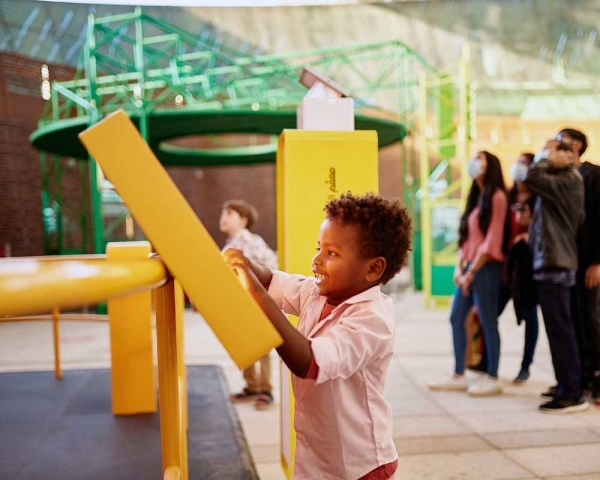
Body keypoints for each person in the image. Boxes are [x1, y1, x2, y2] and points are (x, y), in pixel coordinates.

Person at [223, 192, 412, 480]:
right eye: (319, 249)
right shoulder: (315, 293)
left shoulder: (373, 320)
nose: (316, 261)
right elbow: (271, 279)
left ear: (373, 268)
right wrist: (239, 263)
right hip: (317, 461)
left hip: (360, 467)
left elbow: (308, 361)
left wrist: (256, 294)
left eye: (331, 253)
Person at [430, 151, 511, 396]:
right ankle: (458, 373)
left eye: (480, 159)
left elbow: (491, 241)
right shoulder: (476, 197)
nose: (474, 162)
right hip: (469, 268)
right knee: (456, 317)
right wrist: (459, 268)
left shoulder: (498, 196)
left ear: (491, 166)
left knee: (488, 320)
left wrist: (471, 271)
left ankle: (493, 376)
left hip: (486, 267)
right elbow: (466, 239)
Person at [524, 139, 588, 413]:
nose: (545, 155)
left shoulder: (568, 180)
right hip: (551, 263)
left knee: (562, 331)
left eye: (551, 151)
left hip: (557, 265)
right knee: (557, 332)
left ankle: (572, 392)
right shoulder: (561, 180)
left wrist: (547, 160)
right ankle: (564, 386)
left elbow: (532, 176)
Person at [220, 199, 279, 410]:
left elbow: (272, 264)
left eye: (229, 214)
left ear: (243, 220)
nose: (223, 218)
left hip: (254, 301)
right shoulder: (231, 243)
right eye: (223, 214)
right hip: (240, 303)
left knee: (261, 345)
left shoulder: (251, 241)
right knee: (244, 343)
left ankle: (265, 389)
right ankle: (252, 386)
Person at [556, 128, 600, 403]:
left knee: (590, 318)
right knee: (572, 321)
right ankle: (578, 381)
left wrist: (597, 261)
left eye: (563, 140)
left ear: (577, 145)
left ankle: (596, 379)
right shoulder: (559, 176)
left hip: (588, 261)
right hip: (566, 261)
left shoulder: (594, 174)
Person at [507, 195, 539, 383]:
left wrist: (531, 238)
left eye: (523, 210)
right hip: (507, 273)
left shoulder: (537, 196)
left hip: (528, 275)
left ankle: (526, 365)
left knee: (530, 317)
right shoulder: (510, 192)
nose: (519, 215)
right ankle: (484, 363)